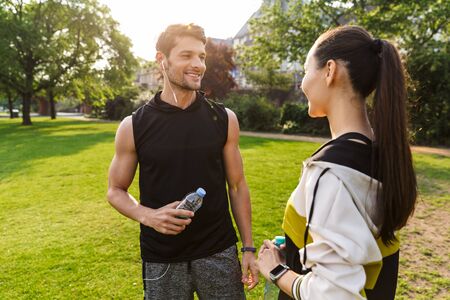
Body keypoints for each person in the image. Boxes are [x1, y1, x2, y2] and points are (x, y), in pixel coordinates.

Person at [257, 25, 417, 299]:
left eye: (306, 70)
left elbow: (335, 293)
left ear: (330, 71)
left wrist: (277, 271)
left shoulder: (331, 172)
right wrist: (297, 252)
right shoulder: (382, 155)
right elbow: (355, 252)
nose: (302, 83)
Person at [107, 23, 258, 299]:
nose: (198, 64)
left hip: (218, 253)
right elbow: (115, 190)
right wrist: (148, 216)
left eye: (201, 56)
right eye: (187, 55)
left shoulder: (224, 119)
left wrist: (248, 248)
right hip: (162, 258)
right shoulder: (133, 126)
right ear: (162, 59)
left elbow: (237, 186)